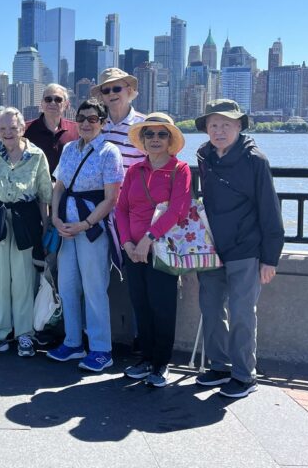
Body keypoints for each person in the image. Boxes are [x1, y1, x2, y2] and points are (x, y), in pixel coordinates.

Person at [193, 99, 284, 398]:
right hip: (210, 248)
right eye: (213, 125)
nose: (219, 131)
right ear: (206, 129)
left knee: (242, 312)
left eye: (226, 125)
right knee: (210, 308)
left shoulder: (255, 160)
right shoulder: (205, 156)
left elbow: (270, 210)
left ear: (239, 126)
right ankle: (219, 366)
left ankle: (245, 376)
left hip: (245, 248)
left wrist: (269, 258)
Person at [115, 113, 191, 387]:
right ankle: (145, 359)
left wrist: (148, 239)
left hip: (163, 251)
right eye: (150, 134)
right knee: (141, 305)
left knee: (163, 307)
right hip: (133, 250)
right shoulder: (134, 171)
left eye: (162, 134)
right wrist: (127, 243)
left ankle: (161, 363)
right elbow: (121, 209)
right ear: (143, 140)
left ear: (170, 140)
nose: (155, 139)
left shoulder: (179, 170)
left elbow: (178, 210)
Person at [47, 100, 123, 372]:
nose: (87, 123)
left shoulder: (109, 152)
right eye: (82, 118)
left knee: (94, 288)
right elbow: (59, 186)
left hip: (92, 229)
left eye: (93, 118)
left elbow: (111, 198)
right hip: (66, 227)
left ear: (102, 122)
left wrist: (85, 223)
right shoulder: (68, 149)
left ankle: (102, 349)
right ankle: (73, 342)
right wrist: (55, 218)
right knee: (67, 285)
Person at [0, 107, 52, 357]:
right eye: (2, 128)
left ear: (22, 129)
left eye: (13, 128)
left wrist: (46, 228)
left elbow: (43, 196)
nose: (8, 133)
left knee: (24, 279)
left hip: (26, 221)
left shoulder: (36, 155)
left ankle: (25, 334)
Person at [91, 67, 146, 353]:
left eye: (117, 88)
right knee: (97, 278)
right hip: (99, 214)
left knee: (138, 279)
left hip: (133, 216)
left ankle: (142, 341)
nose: (112, 94)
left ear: (130, 91)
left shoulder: (145, 127)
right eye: (106, 90)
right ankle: (98, 341)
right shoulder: (97, 127)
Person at [23, 83, 79, 177]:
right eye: (48, 99)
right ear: (42, 103)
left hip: (66, 189)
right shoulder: (24, 130)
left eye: (58, 99)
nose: (52, 103)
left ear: (66, 104)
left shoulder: (77, 129)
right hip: (34, 189)